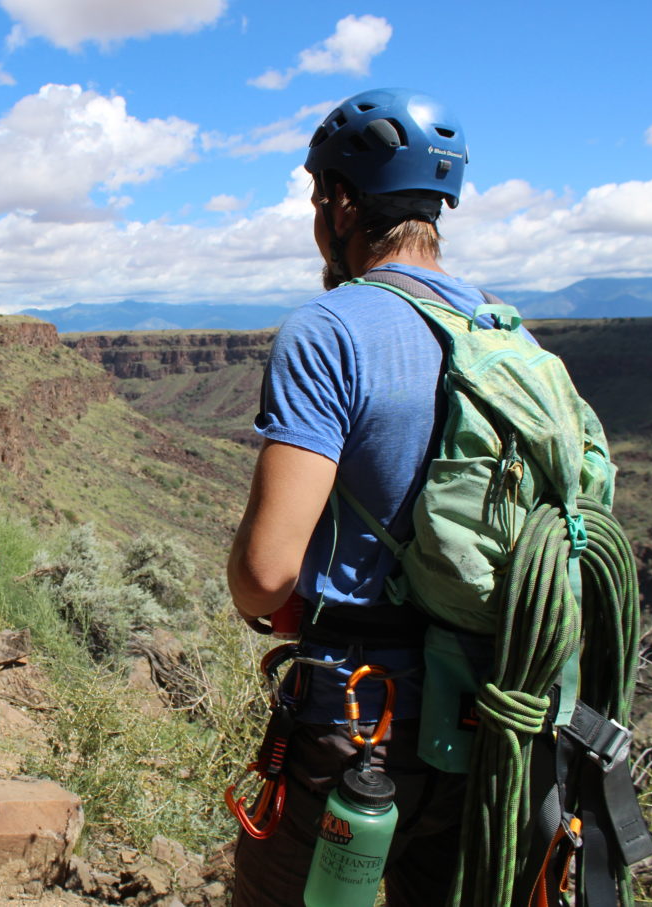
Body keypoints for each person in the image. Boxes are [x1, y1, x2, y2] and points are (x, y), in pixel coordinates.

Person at [226, 88, 495, 906]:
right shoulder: (497, 328)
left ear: (343, 202)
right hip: (482, 721)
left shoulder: (329, 329)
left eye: (320, 198)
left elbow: (265, 575)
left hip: (358, 719)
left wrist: (260, 588)